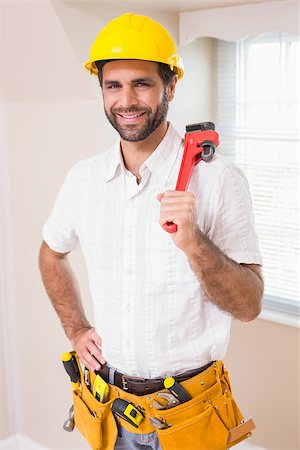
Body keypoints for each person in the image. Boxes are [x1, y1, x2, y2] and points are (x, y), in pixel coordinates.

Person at [39, 13, 264, 450]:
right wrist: (75, 328)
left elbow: (250, 305)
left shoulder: (218, 180)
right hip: (109, 408)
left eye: (142, 83)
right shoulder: (84, 179)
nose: (127, 100)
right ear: (101, 90)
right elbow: (51, 252)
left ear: (171, 87)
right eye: (113, 85)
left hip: (189, 413)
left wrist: (192, 242)